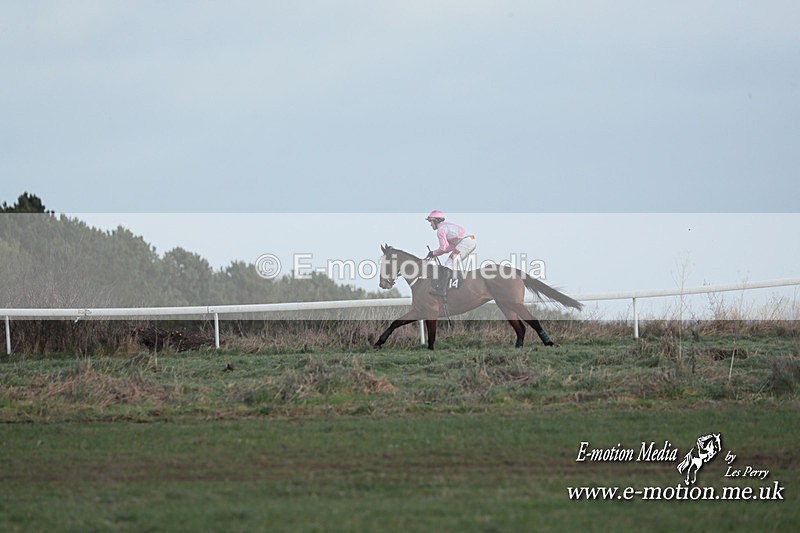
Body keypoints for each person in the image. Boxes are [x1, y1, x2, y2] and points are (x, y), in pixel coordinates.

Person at [423, 210, 476, 297]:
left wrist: (434, 253)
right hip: (469, 240)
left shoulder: (441, 231)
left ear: (435, 220)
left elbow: (443, 248)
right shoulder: (446, 227)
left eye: (430, 221)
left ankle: (442, 290)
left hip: (466, 242)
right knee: (451, 264)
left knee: (449, 263)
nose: (430, 224)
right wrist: (435, 253)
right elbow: (450, 247)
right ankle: (452, 286)